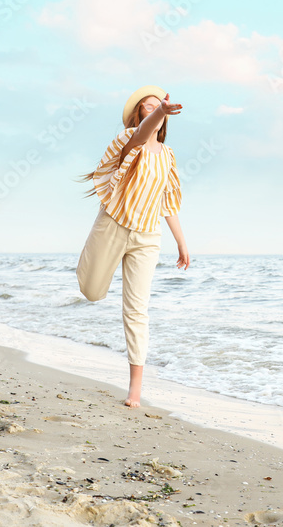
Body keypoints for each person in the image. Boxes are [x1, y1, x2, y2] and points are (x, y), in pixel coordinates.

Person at [77, 85, 190, 408]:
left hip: (147, 237)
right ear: (139, 114)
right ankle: (87, 266)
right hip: (112, 225)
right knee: (92, 292)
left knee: (137, 311)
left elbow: (168, 201)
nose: (154, 109)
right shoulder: (128, 140)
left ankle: (135, 391)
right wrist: (160, 112)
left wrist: (181, 243)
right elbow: (141, 137)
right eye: (147, 107)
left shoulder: (167, 156)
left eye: (158, 106)